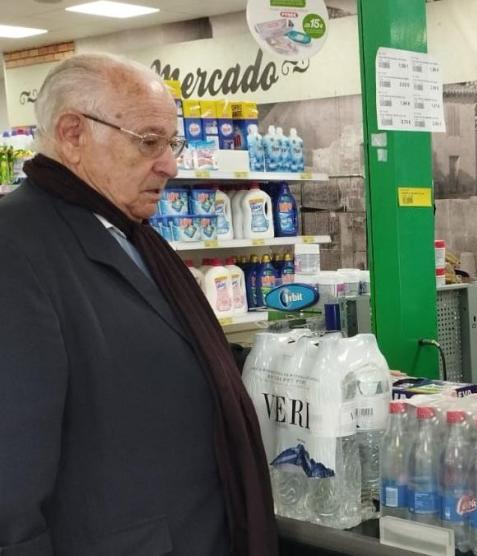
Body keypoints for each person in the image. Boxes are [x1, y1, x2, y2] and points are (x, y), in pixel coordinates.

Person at [0, 54, 278, 555]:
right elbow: (10, 474)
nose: (169, 163)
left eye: (172, 142)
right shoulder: (15, 247)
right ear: (72, 135)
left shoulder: (130, 235)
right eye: (149, 141)